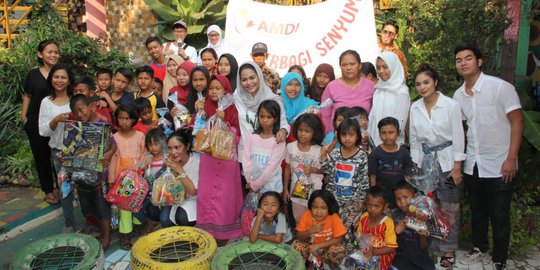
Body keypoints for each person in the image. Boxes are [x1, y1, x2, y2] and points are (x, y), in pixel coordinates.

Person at [453, 45, 523, 270]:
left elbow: (517, 121)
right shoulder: (458, 95)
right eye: (458, 60)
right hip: (473, 163)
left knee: (499, 213)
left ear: (479, 61)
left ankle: (500, 257)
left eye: (468, 58)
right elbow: (462, 128)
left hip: (500, 163)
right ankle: (479, 247)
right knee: (477, 210)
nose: (463, 63)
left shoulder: (501, 88)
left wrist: (511, 157)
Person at [409, 64, 466, 268]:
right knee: (428, 205)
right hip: (426, 161)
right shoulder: (414, 107)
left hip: (448, 160)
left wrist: (457, 166)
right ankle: (432, 245)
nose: (422, 87)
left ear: (435, 82)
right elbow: (414, 139)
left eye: (426, 82)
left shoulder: (451, 105)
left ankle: (448, 249)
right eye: (418, 84)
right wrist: (415, 164)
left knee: (449, 207)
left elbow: (459, 137)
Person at [196, 74, 243, 241]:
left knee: (225, 197)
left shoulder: (233, 108)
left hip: (227, 159)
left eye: (218, 88)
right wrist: (201, 115)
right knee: (207, 195)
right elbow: (197, 131)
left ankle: (225, 232)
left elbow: (240, 135)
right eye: (211, 88)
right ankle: (207, 229)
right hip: (208, 160)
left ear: (226, 91)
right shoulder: (204, 106)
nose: (214, 91)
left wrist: (224, 124)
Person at [68, 94, 114, 249]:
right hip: (82, 173)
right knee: (88, 204)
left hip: (99, 175)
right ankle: (100, 231)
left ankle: (107, 236)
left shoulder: (102, 124)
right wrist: (66, 155)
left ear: (92, 107)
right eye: (76, 113)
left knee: (101, 205)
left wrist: (108, 154)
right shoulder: (75, 127)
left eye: (81, 110)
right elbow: (70, 148)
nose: (79, 115)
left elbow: (113, 144)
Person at [320, 118, 369, 249]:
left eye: (351, 135)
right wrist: (324, 156)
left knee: (347, 230)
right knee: (333, 228)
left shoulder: (362, 156)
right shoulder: (335, 153)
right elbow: (328, 172)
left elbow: (364, 179)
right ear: (339, 136)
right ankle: (332, 254)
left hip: (352, 203)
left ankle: (347, 256)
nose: (347, 138)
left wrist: (362, 199)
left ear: (358, 135)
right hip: (334, 200)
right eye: (344, 134)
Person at [241, 100, 287, 235]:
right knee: (256, 215)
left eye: (269, 117)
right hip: (253, 184)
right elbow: (246, 158)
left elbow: (271, 167)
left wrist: (255, 184)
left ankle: (273, 240)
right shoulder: (252, 135)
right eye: (262, 116)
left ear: (276, 118)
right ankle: (255, 237)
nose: (265, 120)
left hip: (271, 186)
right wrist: (249, 180)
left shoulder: (278, 140)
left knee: (271, 216)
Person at [21, 40, 59, 205]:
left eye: (56, 52)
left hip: (58, 122)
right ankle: (49, 191)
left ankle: (64, 188)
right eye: (49, 52)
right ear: (40, 54)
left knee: (60, 156)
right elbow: (27, 95)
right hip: (35, 122)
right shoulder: (33, 75)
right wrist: (24, 117)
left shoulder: (60, 73)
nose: (53, 55)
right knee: (41, 157)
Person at [38, 64, 74, 231]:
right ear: (51, 79)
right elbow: (43, 131)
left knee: (86, 186)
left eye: (63, 77)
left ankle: (92, 221)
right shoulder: (46, 102)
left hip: (80, 151)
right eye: (56, 77)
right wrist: (55, 120)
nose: (59, 80)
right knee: (65, 188)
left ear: (69, 80)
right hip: (58, 152)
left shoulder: (76, 98)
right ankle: (69, 222)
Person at [108, 103, 147, 249]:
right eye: (121, 118)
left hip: (137, 177)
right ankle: (124, 234)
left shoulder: (140, 136)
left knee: (137, 202)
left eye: (127, 118)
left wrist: (142, 169)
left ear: (133, 119)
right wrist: (111, 179)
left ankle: (137, 225)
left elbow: (144, 155)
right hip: (120, 180)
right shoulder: (114, 137)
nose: (124, 121)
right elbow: (112, 159)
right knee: (124, 206)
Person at [233, 61, 289, 161]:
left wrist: (283, 130)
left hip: (266, 155)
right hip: (245, 153)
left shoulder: (272, 99)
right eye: (244, 79)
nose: (249, 83)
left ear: (259, 76)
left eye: (252, 77)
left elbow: (283, 123)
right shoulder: (238, 95)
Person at [320, 50, 375, 134]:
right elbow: (325, 115)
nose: (348, 68)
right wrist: (329, 137)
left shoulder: (370, 86)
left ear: (359, 65)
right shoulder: (331, 87)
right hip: (337, 138)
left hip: (364, 138)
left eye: (352, 64)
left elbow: (376, 113)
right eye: (344, 65)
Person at [283, 113, 325, 222]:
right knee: (299, 220)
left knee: (314, 220)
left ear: (315, 132)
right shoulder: (290, 147)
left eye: (307, 131)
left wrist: (313, 170)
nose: (302, 134)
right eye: (300, 130)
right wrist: (285, 189)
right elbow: (287, 168)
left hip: (314, 192)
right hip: (296, 192)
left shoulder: (319, 150)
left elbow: (326, 170)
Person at [291, 190, 347, 268]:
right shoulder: (307, 214)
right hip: (310, 248)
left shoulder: (333, 216)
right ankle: (303, 265)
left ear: (329, 207)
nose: (319, 212)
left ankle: (331, 266)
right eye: (315, 207)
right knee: (296, 245)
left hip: (326, 249)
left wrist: (318, 245)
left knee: (339, 249)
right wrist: (310, 231)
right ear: (310, 207)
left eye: (323, 208)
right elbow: (299, 235)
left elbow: (339, 239)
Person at [368, 117, 413, 209]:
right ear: (379, 134)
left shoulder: (404, 153)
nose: (387, 136)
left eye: (391, 132)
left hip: (400, 197)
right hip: (382, 197)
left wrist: (410, 193)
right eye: (384, 133)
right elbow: (372, 176)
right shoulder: (375, 153)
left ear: (398, 133)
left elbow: (409, 176)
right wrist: (374, 196)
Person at [368, 51, 410, 147]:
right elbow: (373, 117)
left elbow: (400, 123)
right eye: (378, 68)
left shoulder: (401, 91)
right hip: (375, 142)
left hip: (393, 145)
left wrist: (387, 139)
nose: (381, 71)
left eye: (385, 67)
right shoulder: (379, 89)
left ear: (393, 67)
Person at [160, 130, 200, 227]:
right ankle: (175, 238)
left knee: (181, 216)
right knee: (164, 219)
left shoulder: (197, 161)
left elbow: (193, 192)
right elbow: (169, 188)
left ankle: (189, 235)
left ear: (187, 146)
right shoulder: (169, 162)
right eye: (170, 148)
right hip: (175, 199)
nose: (173, 152)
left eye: (177, 147)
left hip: (194, 199)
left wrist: (179, 170)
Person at [392, 181, 435, 270]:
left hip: (421, 260)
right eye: (398, 199)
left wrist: (423, 237)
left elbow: (424, 246)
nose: (402, 202)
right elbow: (390, 241)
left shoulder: (424, 217)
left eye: (405, 197)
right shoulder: (396, 215)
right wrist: (395, 231)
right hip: (402, 258)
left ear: (415, 197)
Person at [356, 186, 398, 270]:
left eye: (377, 206)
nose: (372, 209)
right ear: (365, 204)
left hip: (384, 263)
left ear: (385, 206)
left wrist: (374, 252)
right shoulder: (364, 217)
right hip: (367, 259)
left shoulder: (387, 222)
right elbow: (359, 236)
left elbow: (392, 248)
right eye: (369, 205)